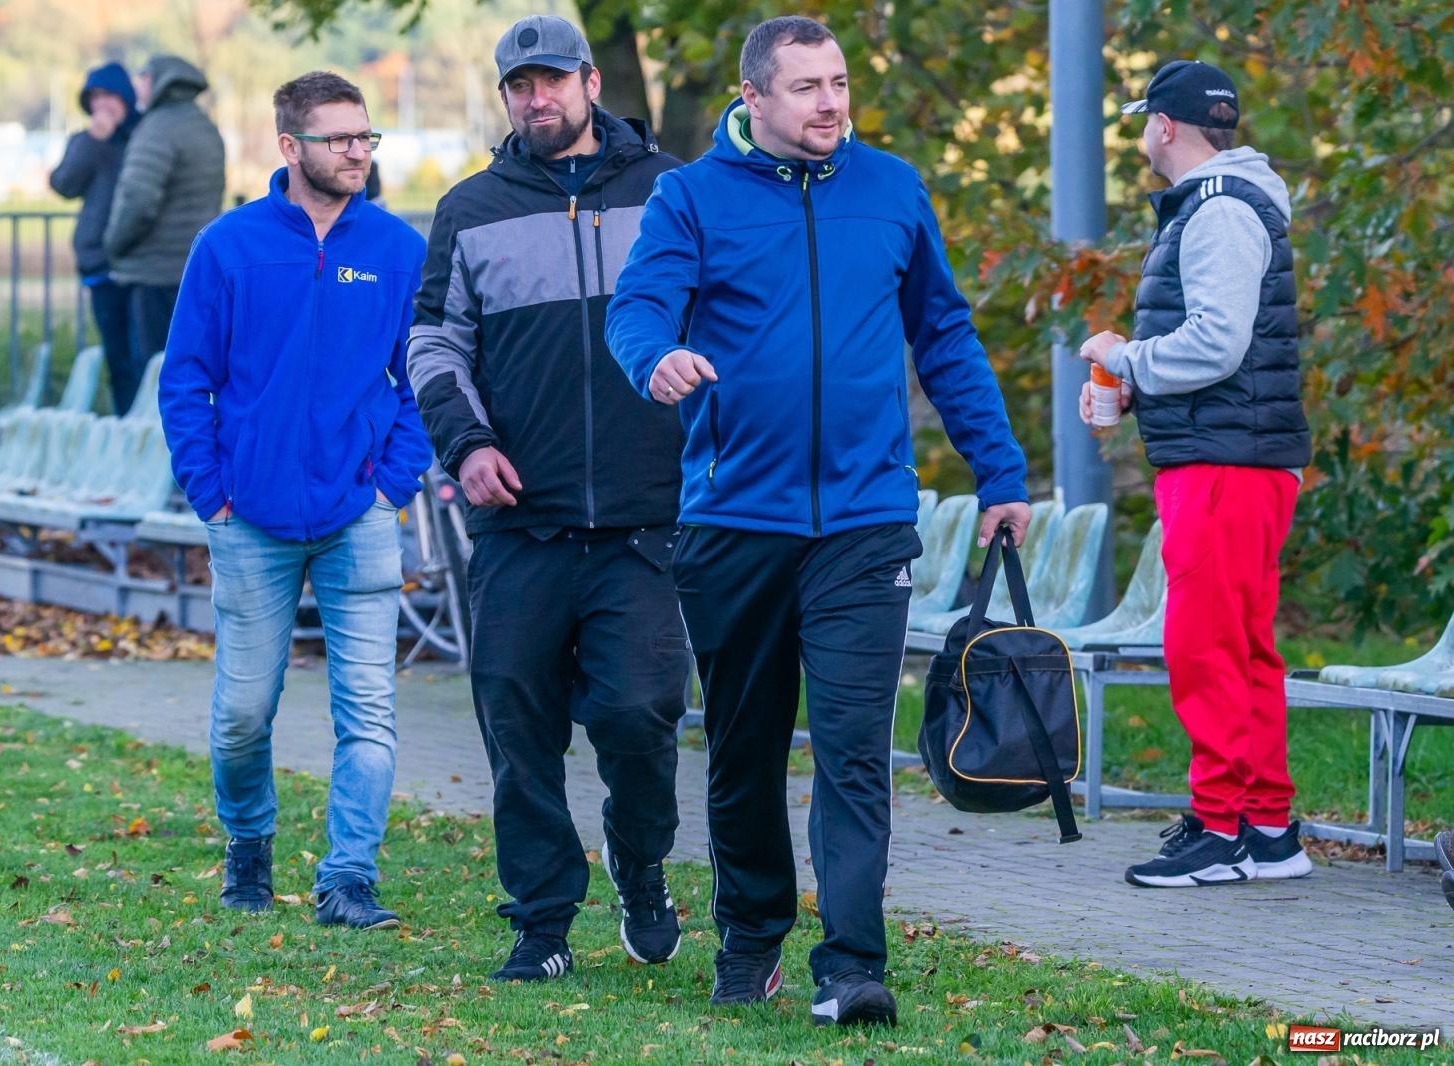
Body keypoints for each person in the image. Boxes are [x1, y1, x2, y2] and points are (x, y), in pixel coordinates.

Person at [606, 16, 1030, 1027]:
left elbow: (943, 334)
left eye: (838, 82)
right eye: (806, 87)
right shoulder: (691, 196)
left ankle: (850, 966)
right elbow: (636, 308)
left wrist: (1001, 471)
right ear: (754, 97)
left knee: (851, 751)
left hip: (864, 521)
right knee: (745, 749)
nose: (830, 102)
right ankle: (750, 936)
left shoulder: (890, 189)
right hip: (733, 522)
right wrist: (655, 359)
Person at [407, 15, 689, 983]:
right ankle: (541, 923)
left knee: (640, 715)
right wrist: (468, 444)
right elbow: (433, 344)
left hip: (646, 526)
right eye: (519, 86)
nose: (537, 99)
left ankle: (641, 866)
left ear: (590, 82)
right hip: (519, 524)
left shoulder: (670, 193)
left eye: (552, 81)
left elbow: (725, 322)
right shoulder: (470, 208)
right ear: (505, 97)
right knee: (517, 730)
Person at [158, 71, 432, 930]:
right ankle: (249, 843)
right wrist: (212, 492)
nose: (358, 152)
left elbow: (425, 376)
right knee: (243, 714)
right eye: (338, 138)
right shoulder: (228, 247)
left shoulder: (396, 248)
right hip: (249, 519)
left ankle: (348, 878)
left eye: (365, 136)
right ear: (289, 146)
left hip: (360, 515)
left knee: (370, 713)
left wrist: (391, 483)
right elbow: (184, 381)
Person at [1077, 60, 1313, 888]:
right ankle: (1270, 830)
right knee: (1241, 649)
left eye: (1146, 120)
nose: (1144, 134)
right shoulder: (1225, 206)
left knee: (1205, 647)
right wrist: (1131, 385)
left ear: (1166, 126)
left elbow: (1217, 343)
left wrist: (1125, 358)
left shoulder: (1217, 211)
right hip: (1236, 455)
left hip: (1224, 462)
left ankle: (1220, 830)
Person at [104, 54, 225, 372]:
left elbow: (137, 200)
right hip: (195, 268)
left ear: (157, 81)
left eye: (142, 79)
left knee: (152, 372)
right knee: (189, 369)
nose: (137, 88)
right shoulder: (204, 126)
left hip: (154, 272)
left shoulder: (157, 128)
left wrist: (113, 245)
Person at [49, 62, 144, 414]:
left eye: (109, 96)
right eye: (95, 97)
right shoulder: (84, 141)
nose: (102, 104)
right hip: (100, 262)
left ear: (125, 98)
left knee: (147, 354)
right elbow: (64, 185)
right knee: (117, 358)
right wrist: (92, 142)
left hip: (143, 261)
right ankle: (124, 424)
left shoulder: (147, 134)